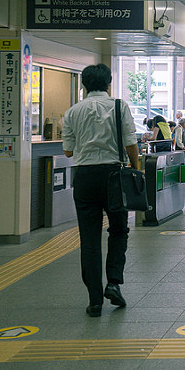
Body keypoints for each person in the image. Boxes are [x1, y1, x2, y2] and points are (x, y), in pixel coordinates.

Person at [62, 64, 137, 317]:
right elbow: (130, 143)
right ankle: (113, 283)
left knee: (89, 239)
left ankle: (95, 300)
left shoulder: (72, 112)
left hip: (84, 177)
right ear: (109, 84)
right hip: (114, 175)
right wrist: (136, 169)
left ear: (84, 85)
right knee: (118, 230)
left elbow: (68, 151)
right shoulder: (119, 106)